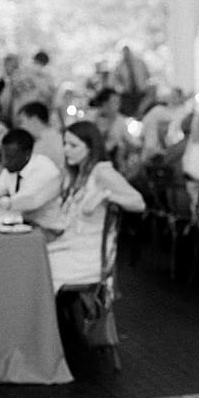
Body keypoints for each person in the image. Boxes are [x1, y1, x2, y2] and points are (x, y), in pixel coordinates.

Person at [45, 121, 145, 292]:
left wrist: (106, 196)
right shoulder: (77, 173)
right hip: (72, 245)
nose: (66, 150)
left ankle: (44, 316)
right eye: (65, 144)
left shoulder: (102, 171)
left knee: (40, 268)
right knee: (32, 260)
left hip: (89, 255)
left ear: (90, 147)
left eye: (73, 145)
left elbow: (138, 203)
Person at [0, 128, 63, 236]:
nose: (4, 162)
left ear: (27, 154)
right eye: (3, 155)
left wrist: (2, 202)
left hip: (48, 230)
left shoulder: (44, 168)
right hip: (22, 227)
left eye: (10, 157)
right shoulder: (12, 168)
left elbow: (28, 201)